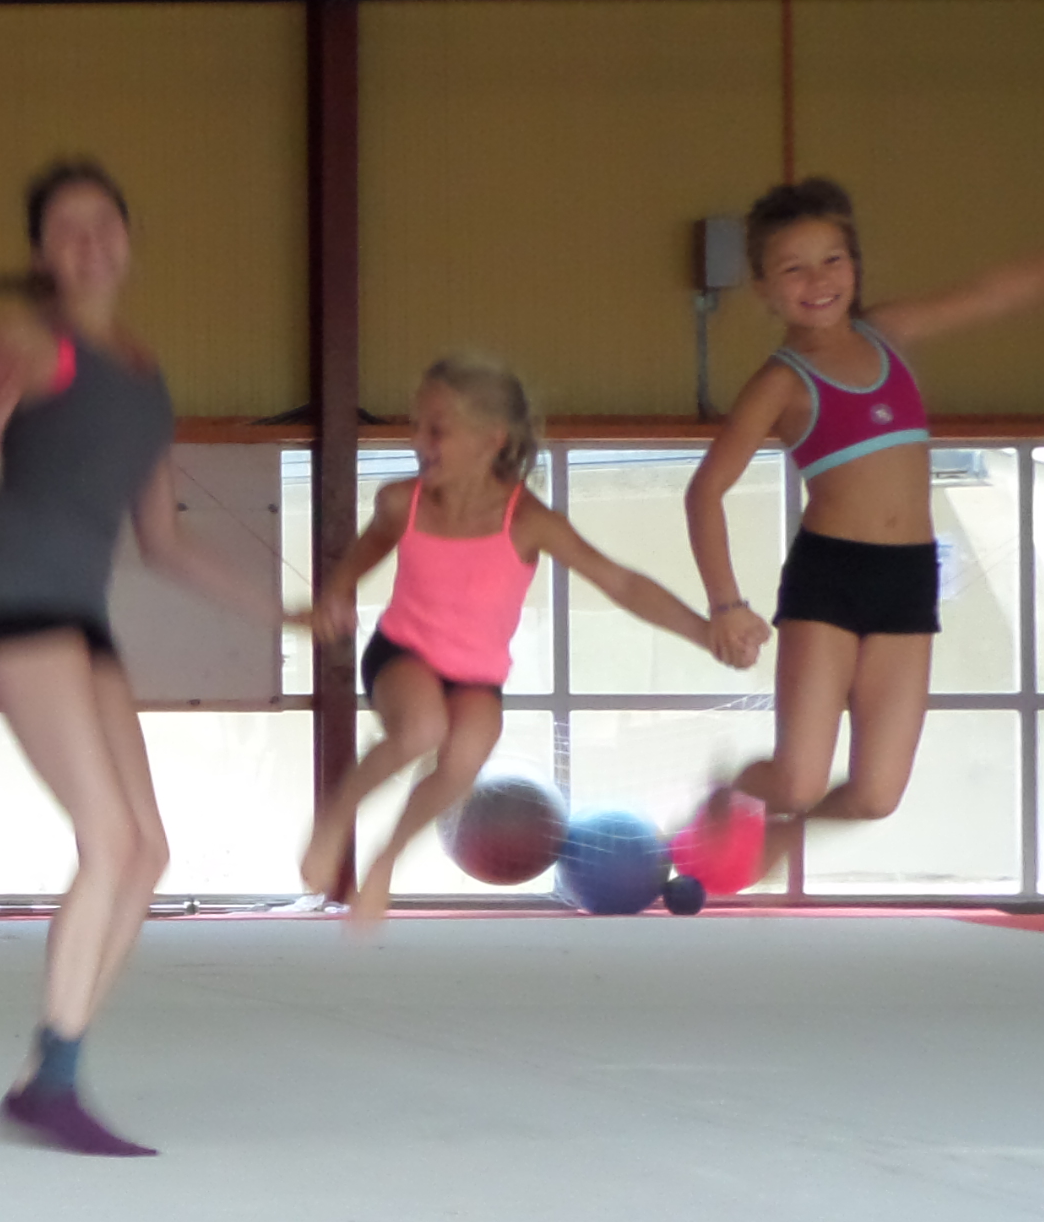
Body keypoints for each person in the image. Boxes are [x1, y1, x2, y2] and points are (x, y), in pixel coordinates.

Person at [0, 159, 299, 1158]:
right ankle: (56, 1080)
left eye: (103, 223)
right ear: (41, 255)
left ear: (129, 240)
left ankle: (46, 1072)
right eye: (66, 228)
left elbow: (164, 541)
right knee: (107, 837)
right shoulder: (26, 340)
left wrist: (287, 612)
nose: (89, 242)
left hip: (79, 611)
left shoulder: (144, 372)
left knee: (145, 850)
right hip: (12, 597)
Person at [686, 177, 1044, 883]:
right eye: (793, 269)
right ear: (763, 288)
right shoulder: (781, 381)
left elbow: (988, 294)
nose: (818, 281)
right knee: (796, 781)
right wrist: (726, 603)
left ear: (855, 265)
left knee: (876, 796)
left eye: (832, 260)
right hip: (830, 577)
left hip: (908, 579)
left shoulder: (888, 333)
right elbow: (705, 493)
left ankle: (784, 838)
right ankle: (736, 791)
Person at [305, 354, 733, 925]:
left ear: (492, 439)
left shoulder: (529, 520)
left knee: (467, 755)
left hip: (476, 675)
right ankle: (338, 812)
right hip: (402, 652)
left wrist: (705, 631)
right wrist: (336, 593)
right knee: (423, 728)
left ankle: (387, 856)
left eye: (437, 429)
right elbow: (365, 551)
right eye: (415, 425)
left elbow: (622, 583)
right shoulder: (400, 502)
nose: (418, 440)